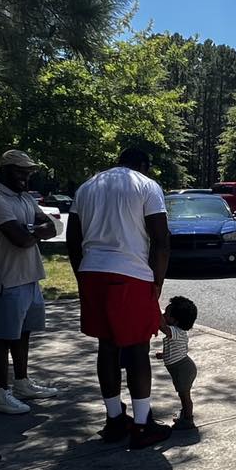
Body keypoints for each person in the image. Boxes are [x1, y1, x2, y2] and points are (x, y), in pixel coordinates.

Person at [68, 147, 173, 449]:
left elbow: (73, 241)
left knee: (107, 347)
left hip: (93, 272)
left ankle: (114, 418)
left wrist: (81, 276)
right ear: (142, 164)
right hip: (130, 273)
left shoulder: (88, 186)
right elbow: (161, 241)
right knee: (138, 349)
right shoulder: (146, 185)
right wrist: (157, 282)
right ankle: (142, 424)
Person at [0, 149, 62, 415]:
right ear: (4, 170)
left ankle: (22, 383)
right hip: (7, 279)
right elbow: (21, 239)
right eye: (20, 171)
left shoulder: (24, 198)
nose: (26, 177)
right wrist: (35, 231)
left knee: (23, 333)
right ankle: (1, 394)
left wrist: (32, 230)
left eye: (28, 172)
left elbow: (52, 227)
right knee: (4, 337)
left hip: (30, 276)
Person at [160, 296, 199, 431]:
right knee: (183, 394)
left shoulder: (176, 331)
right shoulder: (177, 332)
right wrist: (164, 355)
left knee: (184, 395)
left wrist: (154, 310)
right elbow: (177, 349)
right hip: (180, 367)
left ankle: (188, 420)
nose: (163, 315)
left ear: (175, 321)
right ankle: (185, 415)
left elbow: (163, 328)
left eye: (166, 314)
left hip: (182, 369)